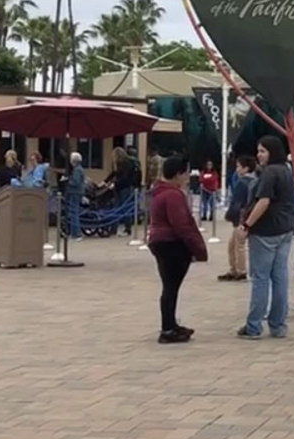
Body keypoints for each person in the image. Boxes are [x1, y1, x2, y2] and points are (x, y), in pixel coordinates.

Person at [237, 136, 294, 338]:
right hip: (285, 229)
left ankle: (254, 326)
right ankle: (278, 325)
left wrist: (247, 225)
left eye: (263, 151)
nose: (259, 155)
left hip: (265, 231)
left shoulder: (269, 173)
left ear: (272, 152)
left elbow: (263, 202)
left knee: (261, 278)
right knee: (280, 277)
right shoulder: (286, 170)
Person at [147, 156, 207, 343]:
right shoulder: (173, 195)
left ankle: (170, 324)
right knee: (171, 287)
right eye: (186, 173)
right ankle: (167, 329)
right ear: (178, 174)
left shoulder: (160, 193)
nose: (188, 176)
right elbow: (182, 225)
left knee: (170, 286)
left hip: (159, 241)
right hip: (171, 243)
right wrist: (197, 249)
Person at [219, 155, 256, 281]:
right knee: (233, 244)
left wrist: (230, 215)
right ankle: (234, 269)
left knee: (238, 245)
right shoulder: (255, 181)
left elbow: (237, 202)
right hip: (247, 215)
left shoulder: (242, 183)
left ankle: (240, 271)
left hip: (240, 218)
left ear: (246, 168)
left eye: (238, 167)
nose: (237, 169)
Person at [104, 146, 141, 238]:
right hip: (120, 188)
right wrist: (105, 181)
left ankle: (127, 228)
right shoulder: (121, 164)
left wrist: (114, 184)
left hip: (125, 188)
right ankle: (114, 229)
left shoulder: (127, 164)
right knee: (117, 208)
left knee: (124, 208)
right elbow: (114, 173)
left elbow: (125, 178)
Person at [62, 152, 87, 241]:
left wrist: (67, 180)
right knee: (73, 213)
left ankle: (76, 233)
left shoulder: (77, 170)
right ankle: (74, 233)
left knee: (74, 213)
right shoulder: (79, 169)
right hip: (77, 192)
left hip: (74, 192)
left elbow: (75, 182)